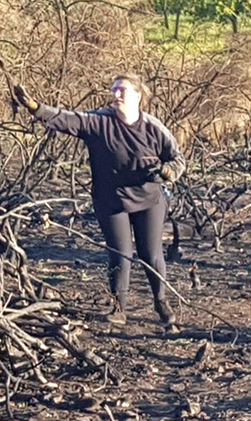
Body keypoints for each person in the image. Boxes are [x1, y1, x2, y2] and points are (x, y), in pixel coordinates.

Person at [12, 74, 185, 327]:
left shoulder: (153, 127)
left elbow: (177, 159)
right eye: (113, 90)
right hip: (111, 200)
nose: (116, 95)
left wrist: (168, 172)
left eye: (122, 90)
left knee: (151, 254)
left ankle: (161, 301)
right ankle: (118, 308)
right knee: (120, 254)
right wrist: (35, 108)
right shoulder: (100, 122)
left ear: (138, 95)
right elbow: (67, 118)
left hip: (149, 198)